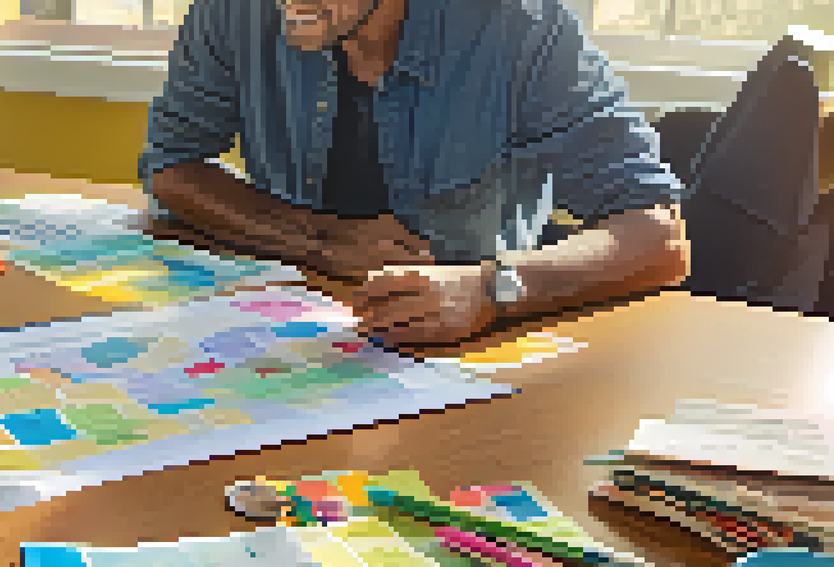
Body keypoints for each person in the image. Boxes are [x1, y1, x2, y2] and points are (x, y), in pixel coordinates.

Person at [139, 0, 693, 347]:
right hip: (288, 344)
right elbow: (172, 164)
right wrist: (319, 238)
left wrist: (490, 289)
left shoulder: (522, 27)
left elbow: (662, 236)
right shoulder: (232, 11)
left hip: (468, 359)